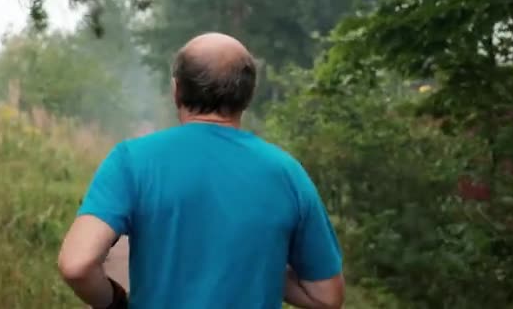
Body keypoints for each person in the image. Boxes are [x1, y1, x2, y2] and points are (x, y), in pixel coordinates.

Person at [57, 32, 345, 309]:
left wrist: (114, 302)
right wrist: (263, 263)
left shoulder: (132, 161)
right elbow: (326, 296)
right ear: (248, 94)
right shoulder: (287, 173)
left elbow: (77, 264)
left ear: (176, 89)